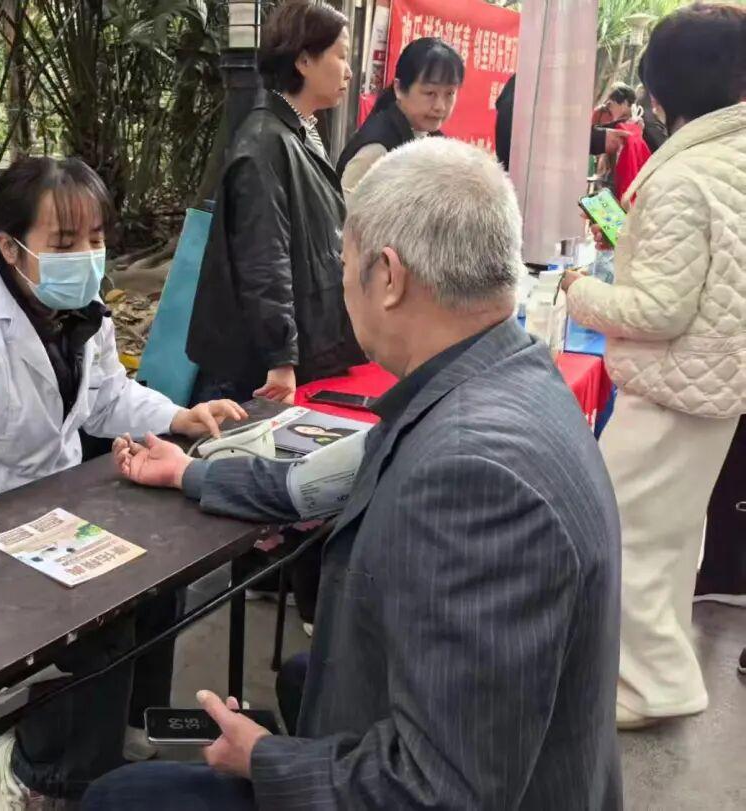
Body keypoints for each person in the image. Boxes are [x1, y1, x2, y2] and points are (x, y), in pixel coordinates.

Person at [86, 138, 622, 810]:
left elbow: (442, 791)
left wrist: (265, 758)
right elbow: (320, 479)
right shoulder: (496, 376)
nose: (341, 285)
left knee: (123, 796)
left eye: (342, 264)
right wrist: (189, 474)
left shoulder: (475, 473)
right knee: (307, 677)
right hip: (493, 747)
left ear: (389, 276)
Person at [0, 156, 245, 806]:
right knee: (104, 621)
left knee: (156, 585)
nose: (86, 257)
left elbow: (107, 397)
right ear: (9, 244)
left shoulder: (79, 308)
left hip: (48, 514)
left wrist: (177, 415)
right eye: (64, 243)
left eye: (95, 239)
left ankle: (123, 737)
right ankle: (39, 775)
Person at [561, 3, 746, 730]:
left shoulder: (684, 175)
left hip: (672, 385)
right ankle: (664, 672)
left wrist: (583, 293)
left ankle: (645, 686)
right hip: (715, 387)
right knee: (669, 540)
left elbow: (661, 309)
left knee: (625, 533)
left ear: (663, 91)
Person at [186, 0, 363, 407]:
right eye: (340, 56)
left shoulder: (295, 133)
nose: (348, 71)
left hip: (295, 352)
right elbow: (264, 259)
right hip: (255, 368)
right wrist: (281, 356)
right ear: (303, 60)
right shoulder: (265, 144)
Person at [336, 37, 464, 198]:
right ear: (399, 88)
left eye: (450, 93)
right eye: (430, 93)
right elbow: (345, 218)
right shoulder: (377, 151)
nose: (440, 106)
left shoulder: (436, 141)